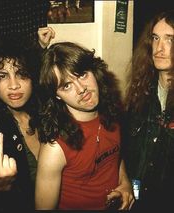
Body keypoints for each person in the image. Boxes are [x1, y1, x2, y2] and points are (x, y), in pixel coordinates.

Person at [35, 42, 134, 210]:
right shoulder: (55, 148)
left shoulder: (111, 113)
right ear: (56, 96)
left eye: (82, 74)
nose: (81, 89)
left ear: (93, 71)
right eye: (66, 86)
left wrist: (125, 183)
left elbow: (114, 155)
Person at [0, 38, 45, 212]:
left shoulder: (47, 115)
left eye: (22, 74)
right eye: (2, 76)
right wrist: (1, 185)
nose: (14, 85)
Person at [123, 10, 174, 211]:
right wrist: (125, 182)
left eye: (170, 39)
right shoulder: (141, 93)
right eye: (155, 38)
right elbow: (127, 151)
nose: (159, 48)